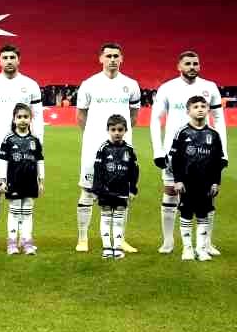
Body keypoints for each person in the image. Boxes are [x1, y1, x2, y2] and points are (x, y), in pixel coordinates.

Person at [150, 50, 225, 256]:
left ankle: (206, 243)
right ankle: (168, 241)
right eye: (188, 63)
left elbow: (218, 119)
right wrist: (158, 149)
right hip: (174, 152)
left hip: (205, 152)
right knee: (171, 191)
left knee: (208, 193)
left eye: (195, 63)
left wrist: (223, 152)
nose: (192, 66)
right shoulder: (168, 88)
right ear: (179, 66)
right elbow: (155, 119)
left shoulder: (209, 87)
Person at [76, 43, 143, 253]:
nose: (112, 59)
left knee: (122, 192)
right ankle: (83, 238)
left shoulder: (131, 85)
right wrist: (92, 135)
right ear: (101, 59)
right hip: (93, 145)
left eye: (116, 56)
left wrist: (123, 137)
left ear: (122, 59)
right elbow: (81, 115)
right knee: (87, 190)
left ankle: (120, 239)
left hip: (122, 148)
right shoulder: (89, 84)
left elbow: (133, 115)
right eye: (108, 56)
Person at [0, 45, 44, 251]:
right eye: (5, 57)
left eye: (12, 57)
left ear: (18, 60)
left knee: (24, 193)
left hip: (25, 148)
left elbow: (38, 116)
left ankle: (23, 239)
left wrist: (37, 142)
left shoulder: (30, 85)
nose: (8, 61)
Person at [169, 95, 226, 261]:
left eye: (203, 106)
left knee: (203, 215)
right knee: (186, 213)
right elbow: (175, 159)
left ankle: (201, 249)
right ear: (188, 111)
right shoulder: (182, 132)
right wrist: (178, 180)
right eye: (196, 106)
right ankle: (187, 249)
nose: (200, 109)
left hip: (206, 184)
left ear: (208, 109)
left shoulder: (214, 134)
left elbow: (218, 161)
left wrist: (216, 182)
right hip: (187, 183)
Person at [0, 103, 45, 256]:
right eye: (19, 117)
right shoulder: (9, 140)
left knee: (28, 211)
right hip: (14, 181)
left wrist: (41, 180)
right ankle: (12, 242)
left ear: (31, 119)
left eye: (26, 117)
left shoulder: (35, 140)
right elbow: (3, 161)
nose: (23, 120)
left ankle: (26, 242)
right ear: (14, 119)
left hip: (30, 182)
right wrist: (2, 180)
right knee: (15, 211)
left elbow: (39, 161)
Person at [91, 114, 140, 260]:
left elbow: (134, 171)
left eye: (120, 129)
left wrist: (133, 189)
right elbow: (98, 170)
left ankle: (117, 247)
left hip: (122, 190)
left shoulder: (129, 150)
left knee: (119, 218)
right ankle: (107, 247)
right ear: (108, 130)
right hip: (105, 190)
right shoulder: (103, 148)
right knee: (106, 217)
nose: (117, 133)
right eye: (113, 129)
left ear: (125, 130)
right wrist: (97, 190)